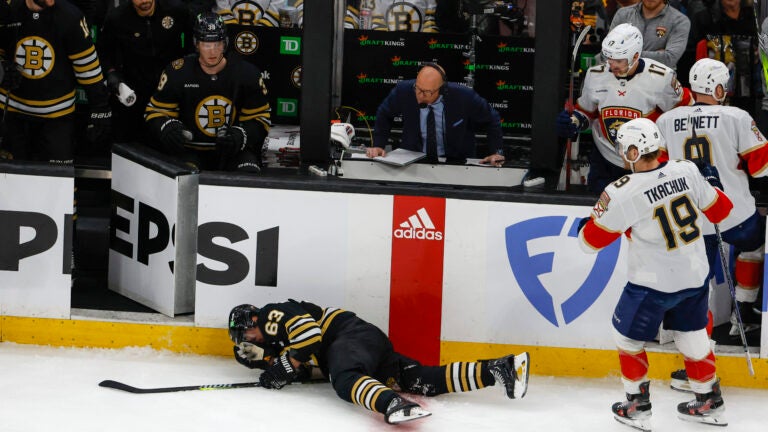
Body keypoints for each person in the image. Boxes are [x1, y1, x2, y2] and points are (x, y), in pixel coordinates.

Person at [578, 118, 733, 430]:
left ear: (634, 151)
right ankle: (709, 400)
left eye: (624, 148)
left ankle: (636, 405)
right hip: (694, 276)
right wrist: (713, 184)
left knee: (626, 338)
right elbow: (721, 211)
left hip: (652, 283)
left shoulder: (622, 191)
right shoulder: (686, 170)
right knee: (691, 335)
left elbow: (589, 243)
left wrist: (587, 226)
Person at [227, 300, 530, 425]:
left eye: (246, 332)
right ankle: (498, 369)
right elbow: (309, 363)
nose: (249, 338)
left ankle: (392, 405)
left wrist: (286, 362)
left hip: (348, 338)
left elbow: (311, 337)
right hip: (363, 342)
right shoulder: (276, 335)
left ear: (254, 318)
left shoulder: (271, 314)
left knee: (345, 379)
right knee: (421, 380)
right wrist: (273, 365)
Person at [656, 58, 765, 345]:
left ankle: (696, 351)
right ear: (717, 88)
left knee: (697, 285)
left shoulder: (666, 120)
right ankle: (742, 308)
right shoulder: (736, 117)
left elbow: (657, 170)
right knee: (755, 243)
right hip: (733, 215)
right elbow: (761, 166)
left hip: (688, 218)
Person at [556, 23, 692, 192]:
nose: (612, 66)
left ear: (635, 56)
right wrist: (574, 121)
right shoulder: (595, 75)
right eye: (609, 59)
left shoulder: (661, 78)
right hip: (605, 161)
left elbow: (686, 112)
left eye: (619, 60)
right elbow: (586, 112)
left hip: (646, 161)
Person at [144, 11, 269, 172]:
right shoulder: (177, 72)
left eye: (217, 44)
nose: (213, 51)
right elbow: (154, 113)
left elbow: (261, 119)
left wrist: (242, 135)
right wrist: (166, 127)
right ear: (196, 44)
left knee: (249, 176)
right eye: (206, 44)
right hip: (190, 151)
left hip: (234, 151)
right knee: (185, 178)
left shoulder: (246, 73)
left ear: (225, 44)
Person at [0, 0, 111, 164]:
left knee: (58, 185)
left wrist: (100, 107)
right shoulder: (7, 11)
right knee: (11, 184)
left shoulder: (70, 17)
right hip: (12, 115)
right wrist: (2, 67)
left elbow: (87, 67)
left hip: (57, 118)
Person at [366, 62, 506, 166]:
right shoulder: (404, 90)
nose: (419, 96)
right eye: (418, 88)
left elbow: (492, 119)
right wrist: (379, 145)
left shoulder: (464, 96)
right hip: (413, 162)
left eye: (427, 92)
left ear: (442, 90)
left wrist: (496, 152)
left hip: (456, 163)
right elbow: (384, 113)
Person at [98, 0, 193, 144]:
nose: (145, 1)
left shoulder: (177, 10)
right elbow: (104, 52)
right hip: (134, 90)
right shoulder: (116, 18)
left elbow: (193, 44)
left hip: (170, 89)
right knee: (131, 141)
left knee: (171, 140)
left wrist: (187, 67)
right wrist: (112, 73)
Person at [609, 0, 691, 69]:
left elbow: (669, 59)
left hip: (659, 82)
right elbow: (608, 51)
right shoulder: (623, 14)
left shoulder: (680, 21)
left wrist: (622, 53)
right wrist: (656, 54)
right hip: (620, 79)